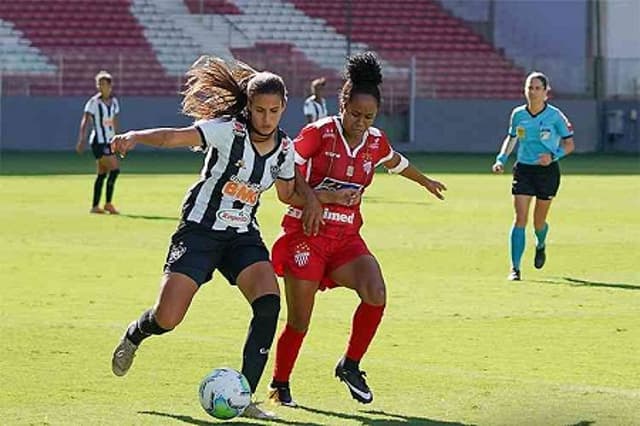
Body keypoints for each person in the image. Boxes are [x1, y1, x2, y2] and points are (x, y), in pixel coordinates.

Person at [108, 56, 320, 420]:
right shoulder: (227, 131)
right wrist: (134, 137)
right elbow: (175, 137)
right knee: (168, 317)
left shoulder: (284, 149)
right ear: (249, 108)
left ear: (284, 107)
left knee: (269, 303)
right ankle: (135, 334)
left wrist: (318, 198)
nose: (266, 118)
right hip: (200, 231)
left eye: (273, 110)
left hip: (242, 237)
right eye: (259, 110)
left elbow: (287, 193)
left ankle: (246, 398)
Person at [267, 52, 447, 407]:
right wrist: (320, 197)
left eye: (369, 116)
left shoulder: (375, 141)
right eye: (356, 114)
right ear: (343, 104)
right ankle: (280, 383)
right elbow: (286, 169)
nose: (362, 122)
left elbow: (396, 162)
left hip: (346, 239)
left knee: (375, 290)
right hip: (307, 237)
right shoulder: (318, 133)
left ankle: (350, 365)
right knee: (300, 321)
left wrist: (423, 180)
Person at [491, 71, 575, 281]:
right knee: (520, 218)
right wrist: (501, 159)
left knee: (539, 222)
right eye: (530, 88)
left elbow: (569, 144)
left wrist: (554, 156)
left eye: (538, 88)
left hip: (547, 172)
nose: (533, 92)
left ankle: (541, 243)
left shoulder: (555, 116)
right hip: (524, 169)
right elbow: (511, 138)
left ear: (546, 92)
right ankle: (515, 268)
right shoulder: (518, 114)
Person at [75, 70, 121, 214]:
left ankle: (95, 206)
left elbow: (114, 121)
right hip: (98, 142)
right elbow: (85, 120)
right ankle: (108, 203)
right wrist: (82, 138)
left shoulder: (114, 102)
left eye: (103, 84)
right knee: (115, 170)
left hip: (109, 141)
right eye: (99, 84)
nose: (100, 87)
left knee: (102, 173)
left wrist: (118, 138)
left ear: (110, 86)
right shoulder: (94, 102)